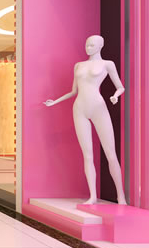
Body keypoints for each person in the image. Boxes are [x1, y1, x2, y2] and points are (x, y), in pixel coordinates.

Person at [44, 35, 126, 205]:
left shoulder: (107, 64)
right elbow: (73, 91)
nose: (88, 48)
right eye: (87, 45)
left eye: (92, 45)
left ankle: (121, 196)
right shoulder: (78, 65)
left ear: (100, 46)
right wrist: (55, 102)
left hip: (98, 108)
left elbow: (120, 87)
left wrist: (116, 96)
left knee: (111, 154)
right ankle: (92, 196)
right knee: (87, 155)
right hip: (79, 108)